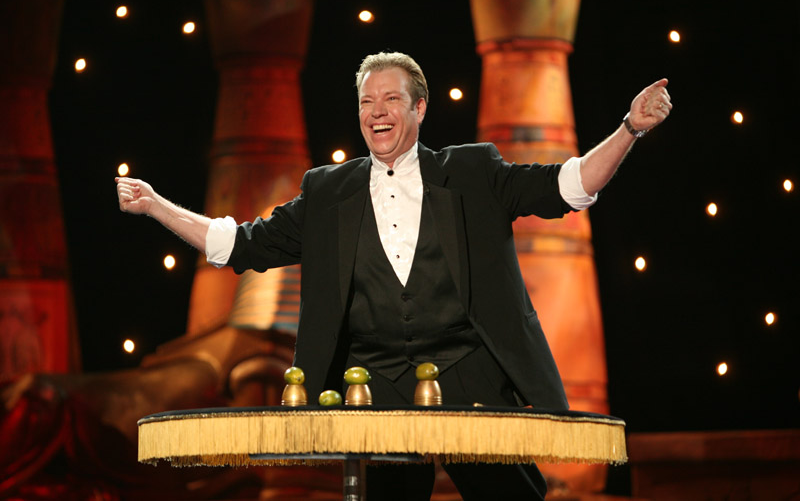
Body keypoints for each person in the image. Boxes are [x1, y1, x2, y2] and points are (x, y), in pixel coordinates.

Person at [116, 52, 671, 500]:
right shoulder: (326, 191)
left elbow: (569, 186)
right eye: (366, 101)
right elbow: (237, 244)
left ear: (420, 107)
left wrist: (629, 129)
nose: (376, 112)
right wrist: (156, 205)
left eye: (390, 99)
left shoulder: (472, 170)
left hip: (468, 372)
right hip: (376, 381)